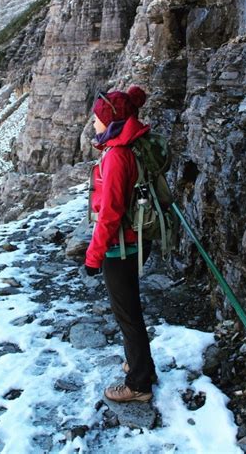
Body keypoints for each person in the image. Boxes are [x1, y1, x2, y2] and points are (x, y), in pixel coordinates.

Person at [85, 85, 157, 403]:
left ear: (111, 122)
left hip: (121, 246)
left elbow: (111, 214)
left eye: (98, 120)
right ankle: (139, 362)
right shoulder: (130, 144)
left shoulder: (117, 157)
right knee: (130, 312)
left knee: (128, 315)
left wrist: (93, 256)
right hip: (138, 239)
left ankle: (139, 384)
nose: (95, 125)